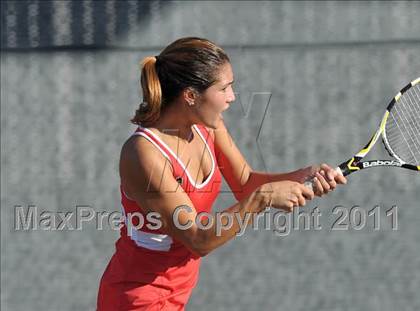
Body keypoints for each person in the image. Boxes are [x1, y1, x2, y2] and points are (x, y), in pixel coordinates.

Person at [96, 37, 346, 310]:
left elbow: (245, 184)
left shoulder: (209, 127)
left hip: (178, 292)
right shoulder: (143, 154)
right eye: (224, 88)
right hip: (136, 298)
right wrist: (262, 198)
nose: (232, 97)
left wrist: (299, 176)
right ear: (190, 96)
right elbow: (197, 238)